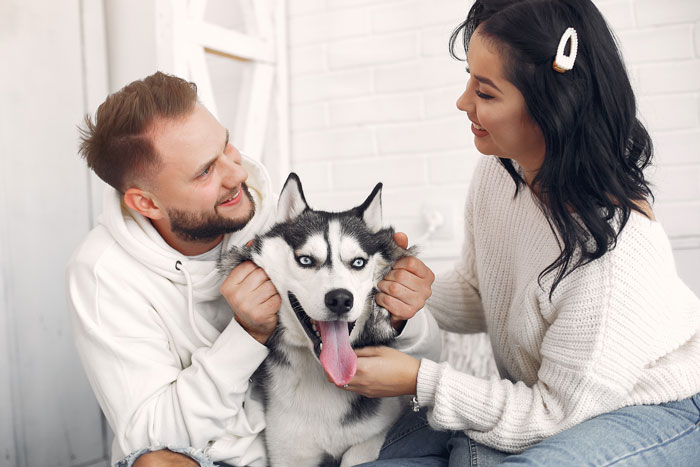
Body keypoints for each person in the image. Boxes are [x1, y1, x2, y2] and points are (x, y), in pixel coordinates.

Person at [342, 0, 700, 465]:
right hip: (549, 400)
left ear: (554, 109)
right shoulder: (499, 172)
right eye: (469, 78)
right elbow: (481, 291)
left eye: (486, 93)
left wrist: (421, 381)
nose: (463, 101)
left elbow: (554, 415)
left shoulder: (615, 256)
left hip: (653, 406)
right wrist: (407, 291)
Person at [66, 71, 442, 467]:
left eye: (227, 146)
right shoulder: (103, 275)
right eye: (205, 171)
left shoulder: (276, 229)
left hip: (346, 434)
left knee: (441, 434)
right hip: (216, 457)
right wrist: (246, 334)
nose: (237, 174)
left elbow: (423, 364)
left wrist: (400, 313)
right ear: (146, 204)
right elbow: (151, 437)